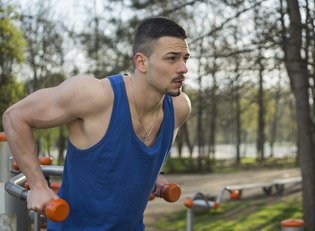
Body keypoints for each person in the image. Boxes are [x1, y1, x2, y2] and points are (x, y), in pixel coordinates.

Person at [2, 17, 191, 230]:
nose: (183, 68)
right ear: (141, 62)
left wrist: (155, 174)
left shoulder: (179, 108)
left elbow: (147, 156)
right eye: (172, 58)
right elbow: (15, 116)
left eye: (185, 58)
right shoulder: (95, 96)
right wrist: (37, 185)